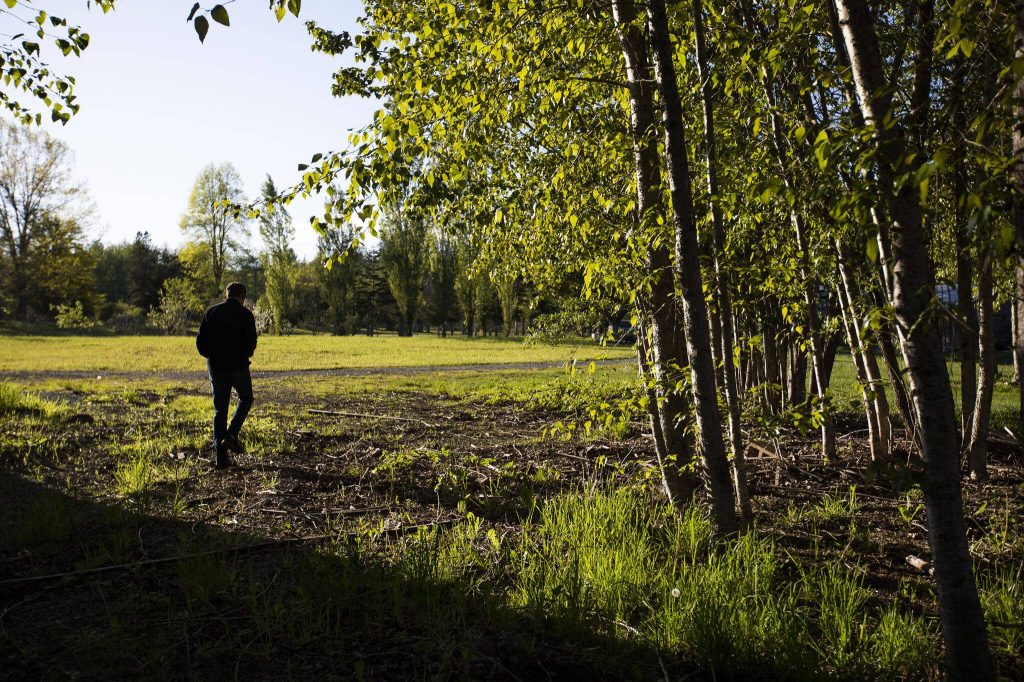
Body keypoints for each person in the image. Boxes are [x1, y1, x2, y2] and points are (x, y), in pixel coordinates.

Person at [196, 282, 257, 469]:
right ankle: (231, 435)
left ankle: (220, 460)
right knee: (246, 398)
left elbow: (200, 343)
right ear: (243, 297)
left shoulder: (211, 312)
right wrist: (243, 354)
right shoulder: (246, 315)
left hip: (216, 367)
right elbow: (251, 344)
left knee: (219, 410)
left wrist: (211, 356)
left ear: (227, 294)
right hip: (238, 366)